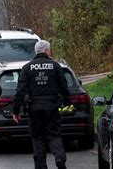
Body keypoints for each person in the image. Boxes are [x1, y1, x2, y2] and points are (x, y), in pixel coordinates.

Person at [12, 40, 71, 169]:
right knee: (54, 135)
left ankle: (40, 166)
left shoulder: (27, 68)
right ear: (45, 50)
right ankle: (59, 158)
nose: (50, 52)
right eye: (49, 50)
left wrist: (16, 111)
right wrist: (67, 103)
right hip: (52, 107)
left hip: (34, 108)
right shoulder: (55, 66)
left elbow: (20, 91)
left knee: (38, 138)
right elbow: (64, 87)